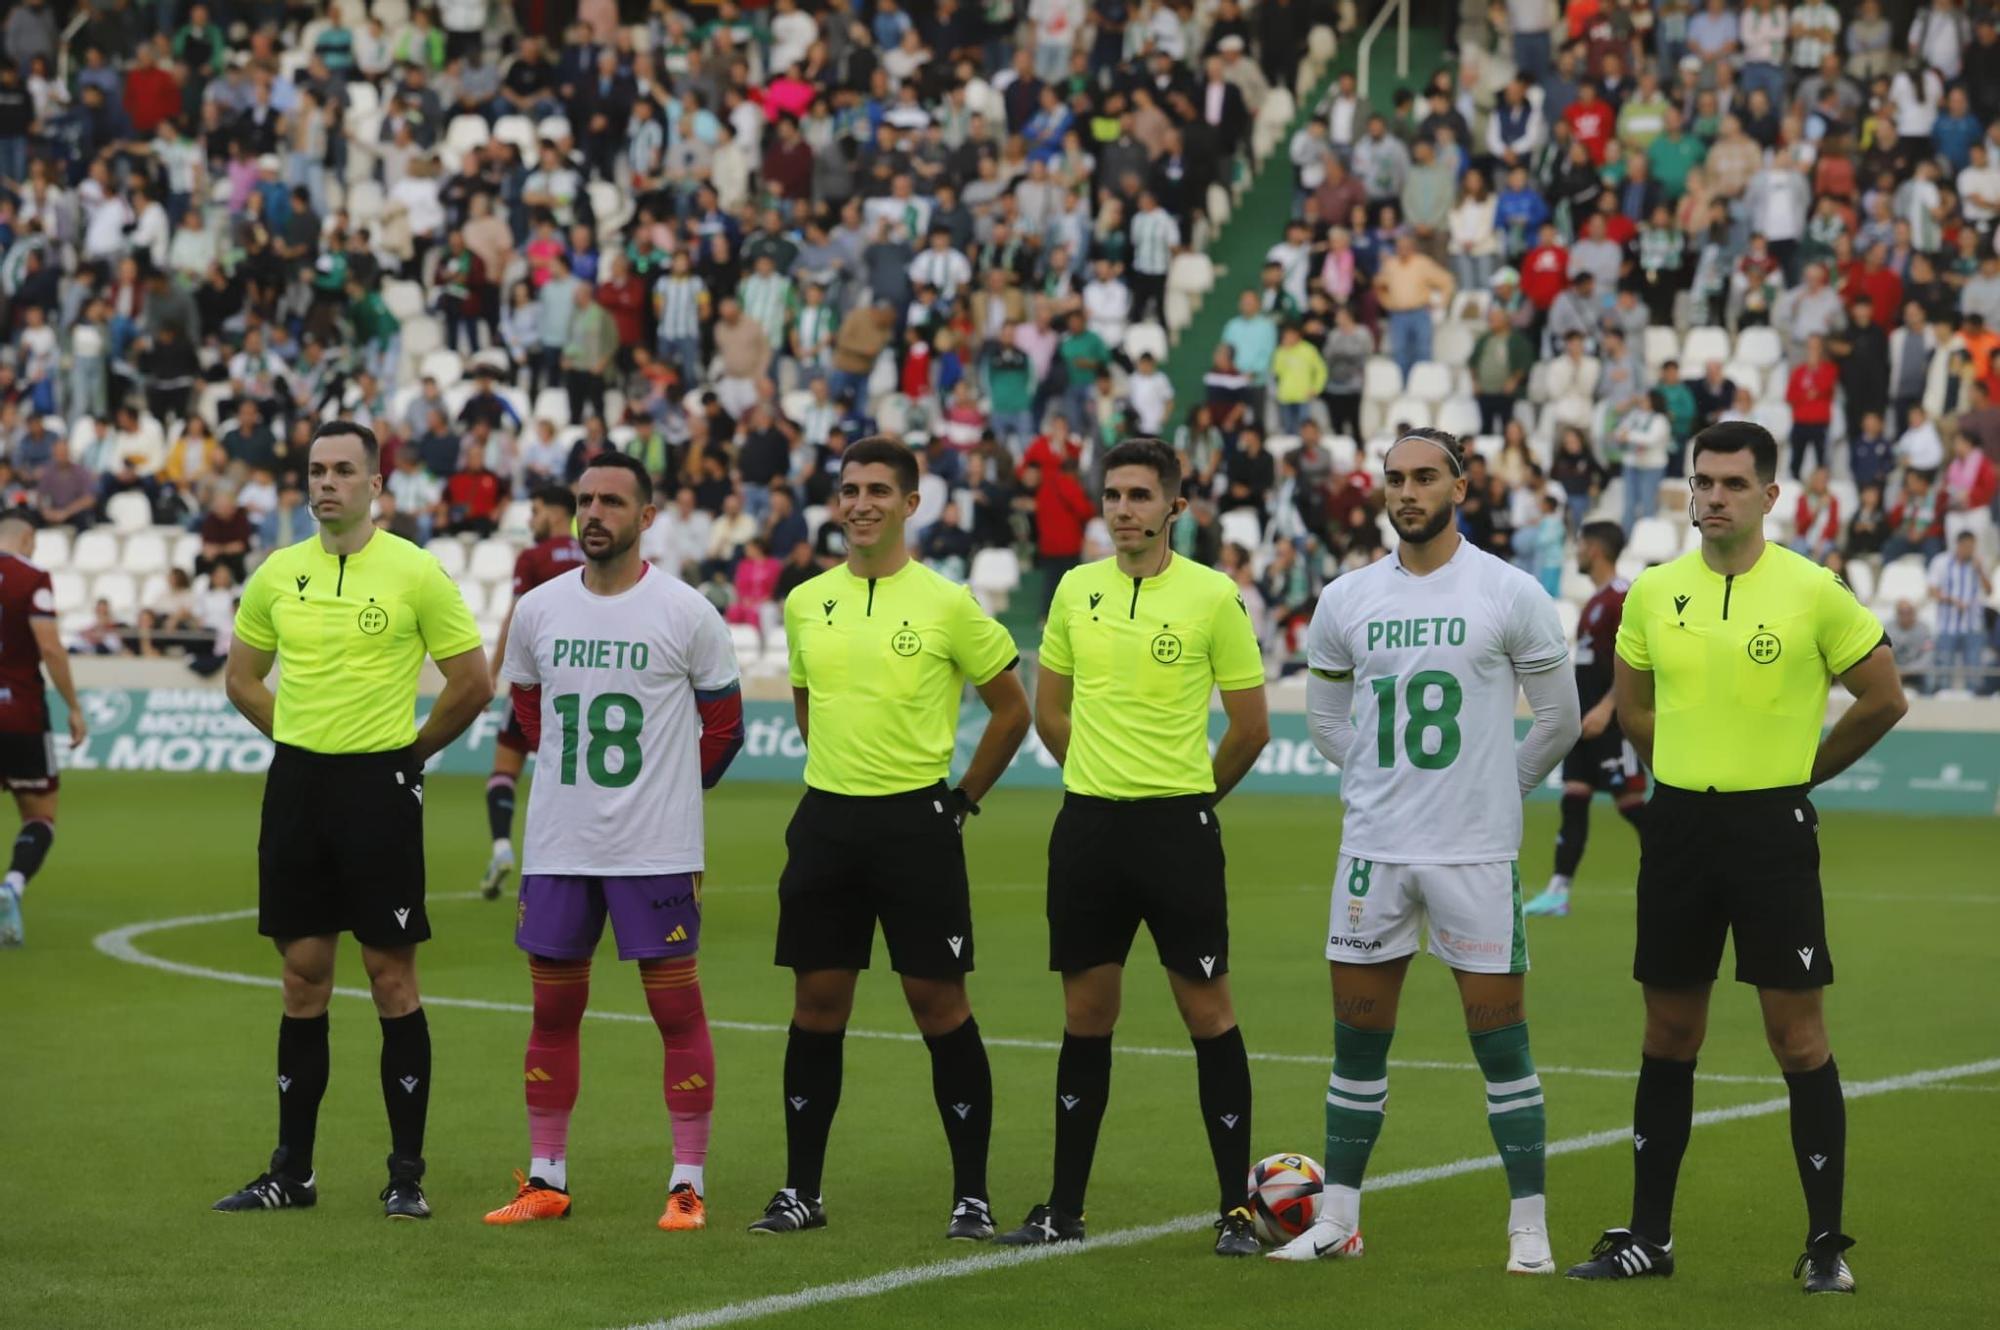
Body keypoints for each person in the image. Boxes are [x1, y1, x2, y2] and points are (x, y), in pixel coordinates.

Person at [1566, 421, 1909, 1293]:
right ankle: (1650, 1237)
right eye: (1702, 481)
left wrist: (1802, 774)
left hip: (1771, 833)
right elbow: (1634, 707)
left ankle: (1825, 1245)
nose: (1713, 496)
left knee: (1796, 1039)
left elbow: (1883, 697)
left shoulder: (1814, 590)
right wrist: (1680, 768)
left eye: (1731, 483)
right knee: (1668, 1031)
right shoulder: (1652, 590)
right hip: (1679, 829)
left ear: (1769, 496)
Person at [1274, 428, 1579, 1272]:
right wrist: (1382, 780)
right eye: (1394, 478)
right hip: (1374, 852)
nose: (1406, 492)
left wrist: (1495, 787)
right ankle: (1337, 1219)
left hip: (1474, 857)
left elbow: (1560, 720)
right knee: (1357, 1043)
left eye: (1423, 477)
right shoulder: (1345, 599)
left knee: (1501, 1044)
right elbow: (1329, 722)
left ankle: (1527, 1226)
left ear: (1461, 486)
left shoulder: (1510, 592)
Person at [749, 437, 1031, 1241]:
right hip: (827, 822)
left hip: (917, 825)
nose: (861, 503)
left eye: (878, 489)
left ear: (912, 504)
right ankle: (801, 1191)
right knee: (817, 1005)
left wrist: (962, 800)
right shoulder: (807, 600)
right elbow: (806, 702)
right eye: (849, 489)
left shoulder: (946, 602)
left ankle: (971, 1197)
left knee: (938, 1003)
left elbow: (1011, 708)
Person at [997, 438, 1272, 1257]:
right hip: (1087, 829)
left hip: (1176, 831)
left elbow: (1251, 727)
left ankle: (1236, 1210)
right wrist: (1095, 771)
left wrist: (1191, 799)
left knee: (1208, 1013)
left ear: (1175, 508)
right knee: (1086, 1016)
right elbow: (1049, 712)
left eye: (1140, 496)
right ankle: (1063, 1208)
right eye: (1113, 495)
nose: (1123, 509)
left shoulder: (1213, 596)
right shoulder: (1075, 591)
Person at [212, 421, 492, 1220]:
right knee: (303, 976)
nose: (326, 483)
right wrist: (301, 740)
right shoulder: (276, 573)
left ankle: (406, 1176)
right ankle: (291, 1173)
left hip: (379, 788)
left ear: (376, 484)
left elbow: (471, 682)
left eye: (342, 470)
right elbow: (242, 678)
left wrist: (410, 755)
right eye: (315, 470)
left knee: (389, 977)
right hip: (299, 786)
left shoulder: (415, 572)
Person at [484, 453, 745, 1232]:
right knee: (552, 1011)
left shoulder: (688, 612)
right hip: (560, 849)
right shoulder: (537, 609)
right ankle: (546, 1178)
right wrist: (581, 791)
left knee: (678, 1014)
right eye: (584, 500)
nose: (593, 513)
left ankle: (687, 1184)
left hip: (655, 852)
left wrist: (661, 794)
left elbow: (725, 731)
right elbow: (528, 713)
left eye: (611, 501)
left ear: (646, 516)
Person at [1525, 522, 1647, 917]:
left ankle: (1690, 870)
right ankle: (1558, 891)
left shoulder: (1620, 597)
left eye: (1579, 545)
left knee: (1631, 803)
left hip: (1608, 722)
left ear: (1593, 549)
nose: (1575, 552)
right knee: (1573, 799)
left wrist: (1609, 708)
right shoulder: (1595, 601)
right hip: (1583, 722)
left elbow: (1636, 660)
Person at [480, 484, 582, 899]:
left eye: (535, 510)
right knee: (574, 779)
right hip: (581, 686)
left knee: (505, 769)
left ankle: (502, 848)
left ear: (555, 513)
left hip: (535, 683)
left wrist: (492, 673)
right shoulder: (592, 556)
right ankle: (580, 864)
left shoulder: (533, 557)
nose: (529, 519)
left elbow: (516, 617)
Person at [0, 518, 86, 946]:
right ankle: (12, 884)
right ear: (28, 540)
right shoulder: (30, 577)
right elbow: (50, 646)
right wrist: (73, 706)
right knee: (39, 814)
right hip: (20, 715)